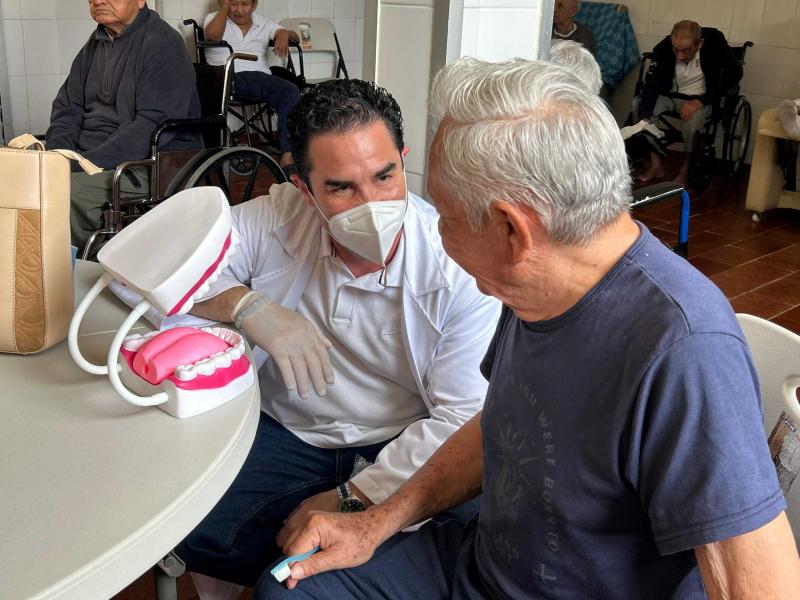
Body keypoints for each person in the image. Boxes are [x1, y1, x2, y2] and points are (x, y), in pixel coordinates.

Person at [255, 58, 800, 599]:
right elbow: (498, 423)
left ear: (512, 230)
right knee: (288, 590)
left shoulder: (685, 350)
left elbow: (759, 587)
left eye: (445, 218)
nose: (433, 232)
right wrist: (373, 521)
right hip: (483, 566)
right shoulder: (536, 285)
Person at [173, 78, 501, 588]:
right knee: (188, 529)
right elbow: (156, 267)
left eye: (385, 176)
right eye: (341, 188)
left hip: (402, 436)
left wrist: (355, 496)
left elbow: (462, 417)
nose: (372, 203)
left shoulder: (455, 266)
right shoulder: (278, 217)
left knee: (454, 542)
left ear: (403, 161)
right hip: (288, 432)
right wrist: (247, 305)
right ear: (304, 190)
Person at [46, 0, 200, 253]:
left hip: (146, 163)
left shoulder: (163, 43)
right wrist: (58, 155)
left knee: (60, 192)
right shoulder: (96, 43)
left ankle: (76, 266)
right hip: (88, 157)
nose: (98, 1)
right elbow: (68, 107)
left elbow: (149, 127)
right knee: (21, 175)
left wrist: (80, 165)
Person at [636, 20, 742, 184]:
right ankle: (655, 163)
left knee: (693, 121)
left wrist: (701, 101)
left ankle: (686, 167)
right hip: (670, 95)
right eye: (675, 50)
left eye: (686, 50)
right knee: (638, 106)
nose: (679, 56)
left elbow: (735, 72)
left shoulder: (714, 41)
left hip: (700, 98)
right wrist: (645, 117)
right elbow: (652, 84)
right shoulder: (664, 47)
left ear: (700, 43)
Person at [204, 0, 301, 168]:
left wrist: (284, 33)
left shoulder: (262, 22)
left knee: (292, 87)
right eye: (233, 3)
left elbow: (296, 37)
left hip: (258, 78)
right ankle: (288, 153)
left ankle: (290, 149)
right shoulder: (214, 18)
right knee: (288, 90)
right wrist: (225, 8)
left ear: (254, 5)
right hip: (225, 77)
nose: (239, 10)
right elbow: (213, 36)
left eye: (244, 4)